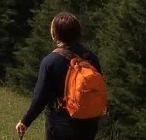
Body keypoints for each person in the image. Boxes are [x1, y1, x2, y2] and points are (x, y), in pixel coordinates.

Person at [16, 12, 102, 140]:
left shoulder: (50, 61)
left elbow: (40, 97)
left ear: (56, 33)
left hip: (61, 125)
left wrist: (25, 121)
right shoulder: (91, 58)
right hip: (89, 124)